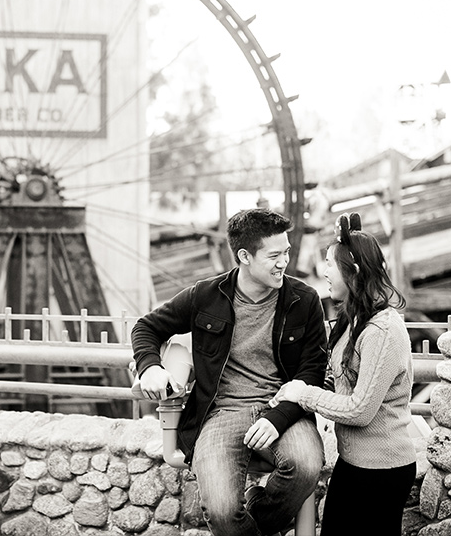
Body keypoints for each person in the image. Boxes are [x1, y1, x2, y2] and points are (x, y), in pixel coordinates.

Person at [132, 208, 327, 536]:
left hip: (284, 409)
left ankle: (257, 510)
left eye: (287, 253)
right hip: (221, 412)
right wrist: (149, 366)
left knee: (306, 467)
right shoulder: (205, 296)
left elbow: (313, 371)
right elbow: (146, 327)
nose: (284, 263)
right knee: (221, 512)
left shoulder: (303, 299)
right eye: (275, 255)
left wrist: (277, 418)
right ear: (244, 256)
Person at [271, 212, 416, 536]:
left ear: (354, 272)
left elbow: (361, 410)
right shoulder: (353, 320)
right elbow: (334, 376)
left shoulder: (383, 330)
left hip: (383, 470)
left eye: (329, 264)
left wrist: (304, 395)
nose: (322, 271)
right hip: (354, 465)